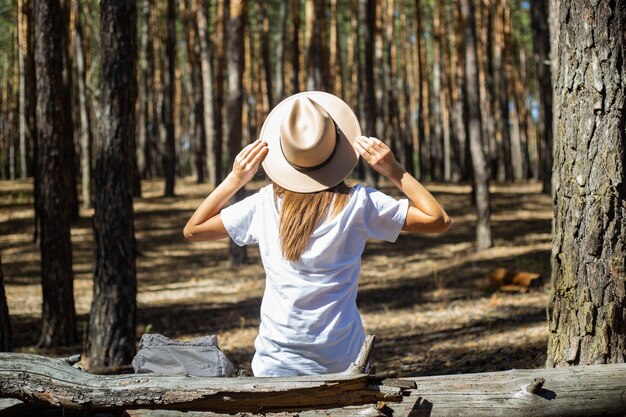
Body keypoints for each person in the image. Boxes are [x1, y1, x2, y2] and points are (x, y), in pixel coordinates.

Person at [183, 91, 451, 377]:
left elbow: (193, 230)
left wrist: (234, 179)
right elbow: (438, 220)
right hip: (342, 363)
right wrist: (394, 170)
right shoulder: (358, 203)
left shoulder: (263, 204)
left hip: (275, 364)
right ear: (337, 147)